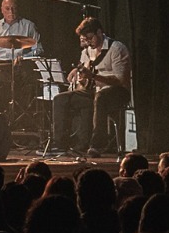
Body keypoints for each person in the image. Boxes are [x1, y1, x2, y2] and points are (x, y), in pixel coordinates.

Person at [50, 16, 131, 155]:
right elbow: (85, 74)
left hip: (117, 92)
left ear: (99, 32)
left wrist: (93, 76)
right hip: (94, 91)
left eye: (90, 38)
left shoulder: (116, 48)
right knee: (60, 99)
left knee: (100, 97)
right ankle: (60, 144)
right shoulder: (87, 51)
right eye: (85, 39)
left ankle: (97, 145)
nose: (88, 42)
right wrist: (79, 75)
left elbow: (120, 79)